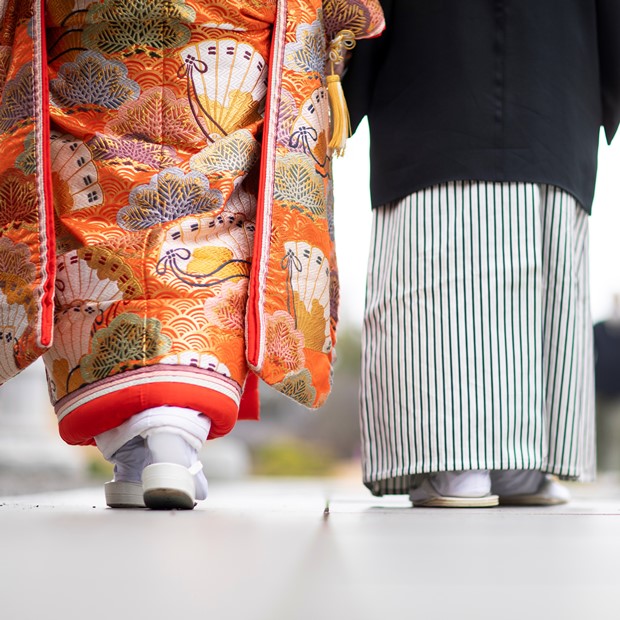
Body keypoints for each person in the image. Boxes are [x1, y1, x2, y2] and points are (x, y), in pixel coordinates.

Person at [0, 0, 384, 509]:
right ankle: (170, 443)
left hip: (91, 28)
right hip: (224, 27)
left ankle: (136, 451)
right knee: (214, 221)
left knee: (91, 223)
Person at [344, 0, 620, 507]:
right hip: (553, 92)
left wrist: (339, 87)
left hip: (431, 93)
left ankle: (455, 466)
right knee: (542, 285)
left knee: (432, 291)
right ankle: (522, 465)